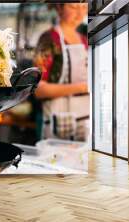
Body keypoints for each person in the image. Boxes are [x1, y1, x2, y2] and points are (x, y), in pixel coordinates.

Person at [33, 3, 89, 141]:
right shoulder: (48, 40)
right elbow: (38, 89)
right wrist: (82, 87)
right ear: (59, 7)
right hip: (57, 126)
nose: (80, 12)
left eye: (84, 7)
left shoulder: (85, 40)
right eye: (74, 7)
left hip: (84, 123)